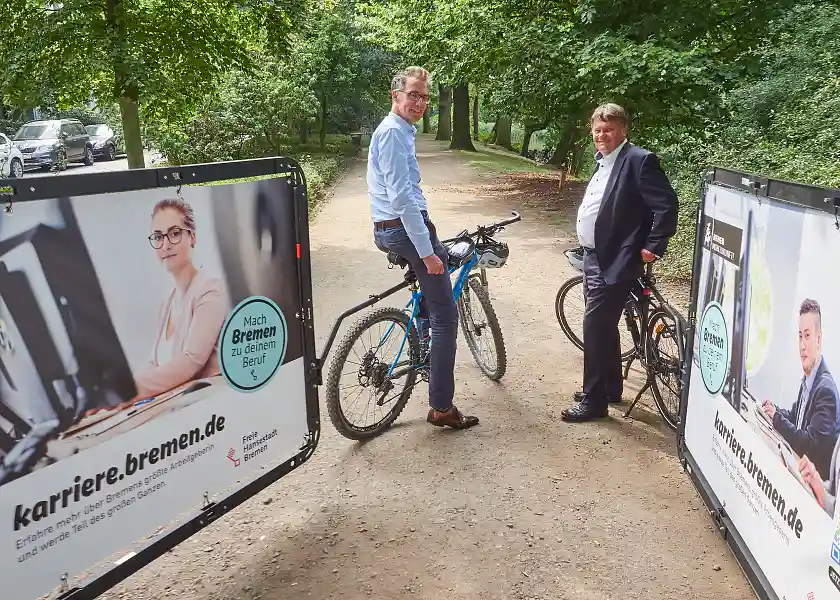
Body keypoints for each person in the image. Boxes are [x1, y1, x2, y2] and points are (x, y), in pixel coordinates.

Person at [367, 66, 478, 430]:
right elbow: (401, 199)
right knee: (447, 316)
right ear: (395, 95)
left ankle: (425, 336)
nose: (419, 102)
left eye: (424, 96)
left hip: (391, 229)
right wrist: (427, 253)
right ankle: (441, 408)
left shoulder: (401, 131)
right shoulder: (393, 134)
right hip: (401, 228)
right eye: (412, 94)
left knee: (435, 284)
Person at [562, 103, 679, 423]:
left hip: (615, 259)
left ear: (623, 129)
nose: (602, 135)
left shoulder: (639, 161)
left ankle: (594, 400)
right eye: (597, 130)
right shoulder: (603, 162)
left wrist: (653, 246)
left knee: (595, 326)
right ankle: (610, 387)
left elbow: (666, 205)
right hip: (592, 256)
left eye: (609, 129)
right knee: (603, 326)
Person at [133, 198, 230, 400]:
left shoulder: (210, 289)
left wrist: (130, 392)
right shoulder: (167, 301)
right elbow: (154, 361)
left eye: (174, 233)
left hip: (210, 410)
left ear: (192, 237)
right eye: (158, 237)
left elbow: (191, 361)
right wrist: (119, 391)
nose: (166, 245)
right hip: (177, 410)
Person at [764, 299, 840, 480]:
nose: (802, 345)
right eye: (800, 336)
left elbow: (808, 445)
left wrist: (776, 419)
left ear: (818, 338)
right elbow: (795, 418)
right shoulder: (809, 379)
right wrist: (771, 410)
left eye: (807, 336)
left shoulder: (826, 391)